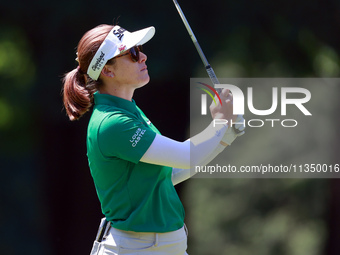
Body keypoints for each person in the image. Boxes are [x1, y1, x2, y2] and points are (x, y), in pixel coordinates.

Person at [62, 23, 244, 255]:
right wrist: (219, 123)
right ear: (107, 70)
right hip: (137, 249)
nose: (143, 56)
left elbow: (168, 173)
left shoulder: (130, 111)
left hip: (162, 247)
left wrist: (224, 137)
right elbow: (184, 156)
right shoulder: (112, 123)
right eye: (133, 53)